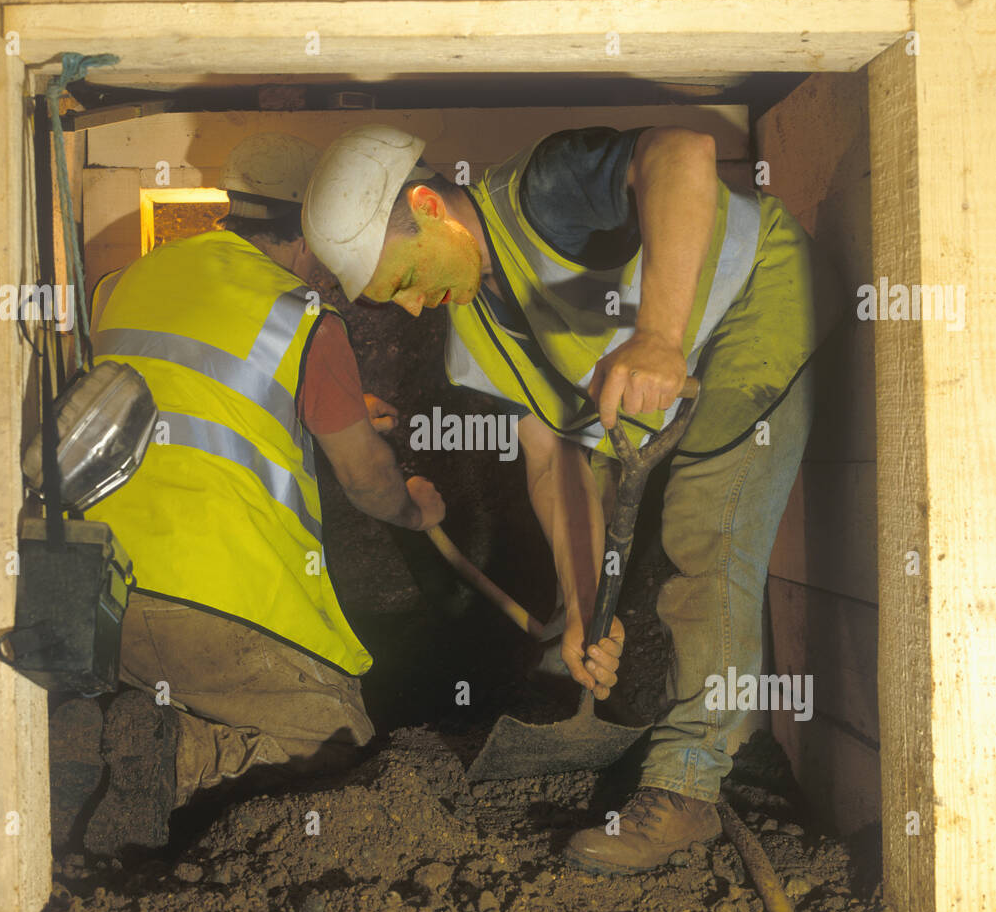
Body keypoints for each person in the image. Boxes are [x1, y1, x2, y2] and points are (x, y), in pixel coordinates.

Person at [301, 123, 840, 874]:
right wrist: (586, 611)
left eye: (402, 279)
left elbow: (680, 152)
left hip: (755, 307)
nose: (416, 307)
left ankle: (687, 787)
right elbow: (553, 463)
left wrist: (657, 335)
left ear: (428, 206)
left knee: (705, 539)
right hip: (659, 392)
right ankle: (705, 727)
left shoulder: (541, 191)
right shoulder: (472, 331)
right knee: (636, 539)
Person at [74, 132, 444, 854]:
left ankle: (100, 736)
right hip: (222, 603)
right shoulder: (298, 315)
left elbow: (189, 393)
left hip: (103, 596)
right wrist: (415, 505)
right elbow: (369, 485)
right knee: (341, 756)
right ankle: (174, 757)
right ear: (318, 225)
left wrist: (320, 405)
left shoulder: (126, 281)